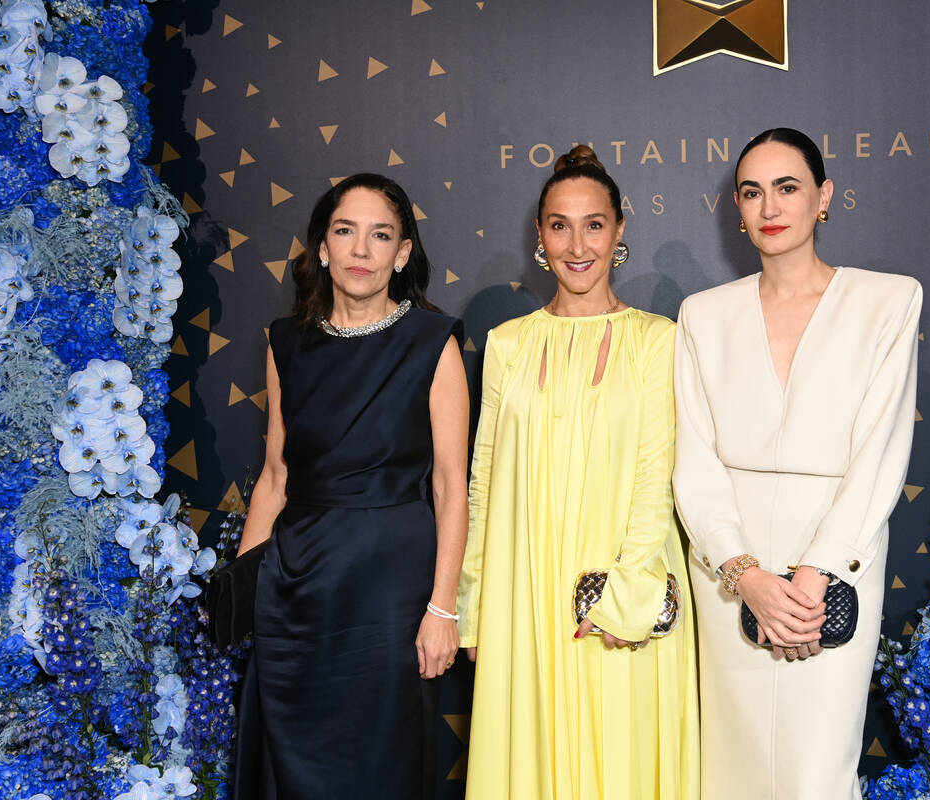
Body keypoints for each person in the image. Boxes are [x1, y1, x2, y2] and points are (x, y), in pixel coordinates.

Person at [672, 128, 921, 800]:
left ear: (823, 198)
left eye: (788, 187)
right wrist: (745, 574)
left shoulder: (888, 301)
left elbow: (882, 450)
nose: (770, 206)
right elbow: (694, 463)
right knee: (731, 769)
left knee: (816, 773)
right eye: (752, 192)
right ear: (738, 207)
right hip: (732, 570)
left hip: (838, 560)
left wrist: (814, 576)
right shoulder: (702, 315)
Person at [457, 145, 699, 800]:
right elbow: (483, 480)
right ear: (539, 236)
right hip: (526, 596)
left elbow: (658, 470)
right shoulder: (506, 344)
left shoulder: (658, 338)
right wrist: (477, 609)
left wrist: (622, 594)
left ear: (619, 230)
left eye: (594, 223)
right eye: (559, 225)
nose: (577, 243)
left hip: (625, 591)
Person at [232, 173, 469, 799]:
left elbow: (450, 487)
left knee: (380, 767)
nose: (362, 251)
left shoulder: (432, 342)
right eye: (346, 232)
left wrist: (443, 608)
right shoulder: (286, 343)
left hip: (390, 597)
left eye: (380, 235)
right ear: (323, 248)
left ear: (402, 254)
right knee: (288, 767)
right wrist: (241, 590)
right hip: (293, 592)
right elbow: (276, 478)